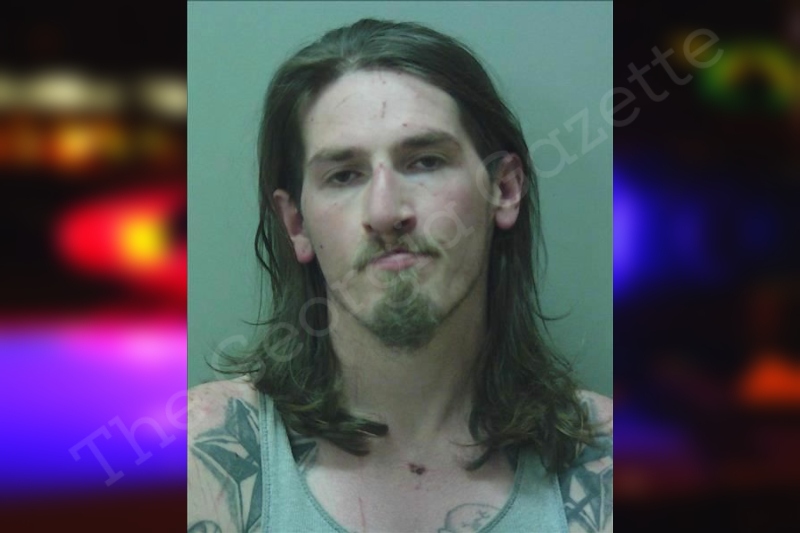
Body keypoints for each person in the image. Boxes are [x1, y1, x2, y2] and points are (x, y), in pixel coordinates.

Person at [188, 18, 612, 533]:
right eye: (344, 175)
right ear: (296, 223)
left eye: (426, 161)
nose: (386, 212)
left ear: (503, 189)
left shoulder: (606, 466)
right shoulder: (199, 456)